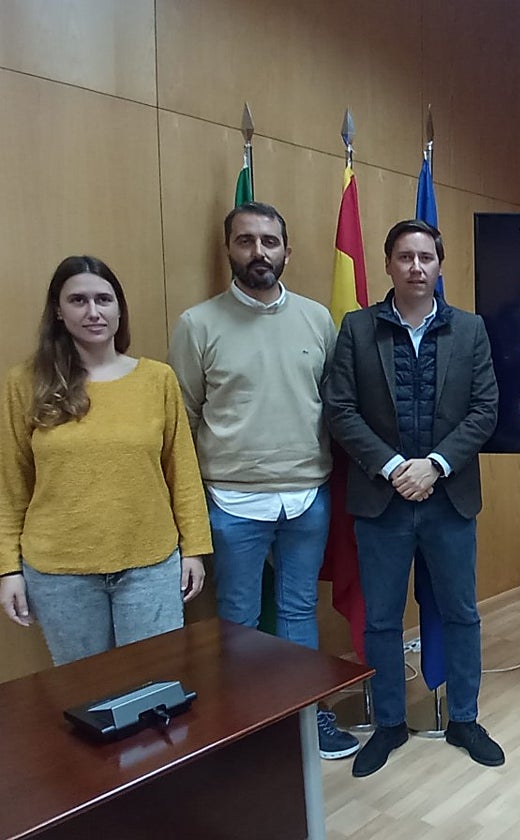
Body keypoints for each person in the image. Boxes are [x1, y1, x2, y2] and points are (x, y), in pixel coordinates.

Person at [168, 202, 359, 760]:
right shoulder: (197, 324)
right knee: (240, 619)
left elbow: (333, 404)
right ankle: (249, 727)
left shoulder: (318, 318)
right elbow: (183, 416)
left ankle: (307, 719)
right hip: (231, 501)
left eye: (269, 242)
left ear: (286, 250)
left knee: (300, 611)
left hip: (307, 495)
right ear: (229, 249)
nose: (259, 253)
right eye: (246, 241)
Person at [324, 218, 501, 777]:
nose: (416, 267)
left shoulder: (470, 330)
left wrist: (437, 466)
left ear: (439, 264)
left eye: (426, 257)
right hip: (383, 501)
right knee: (381, 620)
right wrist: (397, 466)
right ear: (388, 264)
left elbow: (484, 411)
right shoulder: (356, 329)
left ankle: (466, 719)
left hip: (449, 500)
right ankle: (389, 723)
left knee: (460, 613)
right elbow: (340, 410)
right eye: (405, 257)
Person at [0, 255, 210, 665]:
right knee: (87, 697)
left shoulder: (157, 379)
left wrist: (195, 550)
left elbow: (181, 471)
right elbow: (12, 484)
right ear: (58, 311)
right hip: (60, 573)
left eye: (104, 299)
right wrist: (8, 569)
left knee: (154, 690)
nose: (93, 312)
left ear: (119, 308)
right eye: (78, 300)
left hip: (149, 565)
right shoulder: (26, 383)